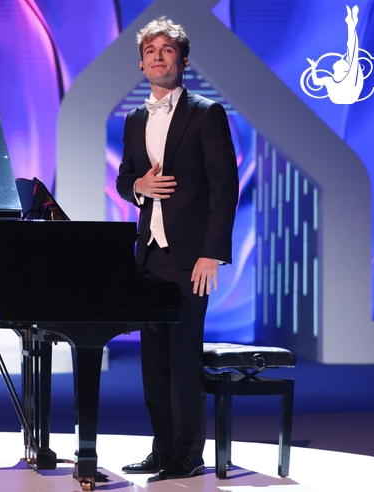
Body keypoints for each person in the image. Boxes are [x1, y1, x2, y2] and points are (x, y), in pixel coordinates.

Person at [115, 16, 239, 479]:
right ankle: (163, 448)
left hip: (191, 258)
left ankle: (188, 454)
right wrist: (138, 187)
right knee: (153, 362)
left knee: (184, 358)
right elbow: (125, 178)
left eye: (167, 50)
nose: (158, 57)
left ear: (183, 60)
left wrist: (212, 252)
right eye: (150, 51)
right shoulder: (135, 119)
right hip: (149, 255)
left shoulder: (207, 113)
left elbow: (225, 186)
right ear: (141, 64)